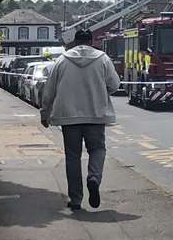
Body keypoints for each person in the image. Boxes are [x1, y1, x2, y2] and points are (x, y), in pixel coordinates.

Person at [39, 26, 121, 210]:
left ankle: (75, 199)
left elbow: (49, 91)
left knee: (73, 156)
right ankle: (94, 177)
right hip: (96, 115)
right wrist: (101, 91)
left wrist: (45, 113)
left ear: (75, 42)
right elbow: (115, 85)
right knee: (98, 149)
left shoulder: (62, 60)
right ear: (91, 41)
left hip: (68, 116)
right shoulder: (103, 59)